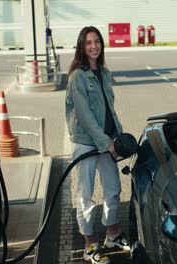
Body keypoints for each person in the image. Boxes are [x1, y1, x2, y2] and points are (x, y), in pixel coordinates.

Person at [65, 26, 129, 264]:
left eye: (97, 42)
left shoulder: (104, 73)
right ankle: (90, 245)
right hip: (86, 144)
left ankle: (112, 234)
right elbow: (84, 115)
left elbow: (109, 109)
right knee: (86, 196)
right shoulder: (77, 77)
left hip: (108, 142)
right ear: (82, 47)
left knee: (113, 190)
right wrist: (105, 143)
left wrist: (119, 136)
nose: (94, 46)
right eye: (88, 42)